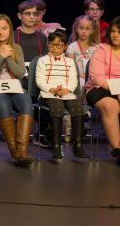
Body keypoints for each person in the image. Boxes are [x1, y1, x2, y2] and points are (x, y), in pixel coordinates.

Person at [0, 13, 34, 166]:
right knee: (4, 105)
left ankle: (21, 151)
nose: (1, 32)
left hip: (14, 86)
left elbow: (20, 72)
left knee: (26, 102)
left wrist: (8, 55)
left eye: (4, 28)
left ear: (10, 30)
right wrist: (0, 56)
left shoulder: (16, 48)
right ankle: (14, 151)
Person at [36, 29, 87, 159]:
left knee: (77, 107)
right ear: (48, 45)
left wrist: (67, 90)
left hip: (66, 93)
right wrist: (52, 89)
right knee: (57, 107)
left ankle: (78, 145)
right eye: (52, 44)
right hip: (47, 94)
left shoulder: (69, 62)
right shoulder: (43, 60)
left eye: (58, 45)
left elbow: (73, 80)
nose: (55, 48)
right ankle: (56, 146)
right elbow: (39, 80)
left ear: (64, 47)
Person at [14, 0, 51, 149]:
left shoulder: (41, 38)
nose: (32, 17)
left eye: (34, 14)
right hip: (17, 80)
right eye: (28, 14)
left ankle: (43, 134)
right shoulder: (13, 36)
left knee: (48, 97)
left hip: (36, 80)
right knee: (27, 98)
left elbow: (45, 62)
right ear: (19, 16)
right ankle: (22, 134)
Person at [86, 16, 120, 161]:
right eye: (113, 31)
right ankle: (118, 149)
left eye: (119, 32)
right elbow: (97, 78)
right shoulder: (102, 50)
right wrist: (118, 90)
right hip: (98, 89)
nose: (115, 35)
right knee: (110, 105)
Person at [64, 15, 100, 141]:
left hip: (91, 77)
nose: (84, 31)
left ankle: (84, 119)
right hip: (76, 77)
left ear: (92, 31)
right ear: (76, 29)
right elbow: (70, 67)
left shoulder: (96, 48)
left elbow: (99, 67)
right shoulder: (72, 47)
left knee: (89, 84)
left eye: (87, 29)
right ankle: (81, 116)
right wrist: (80, 75)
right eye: (81, 28)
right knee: (79, 84)